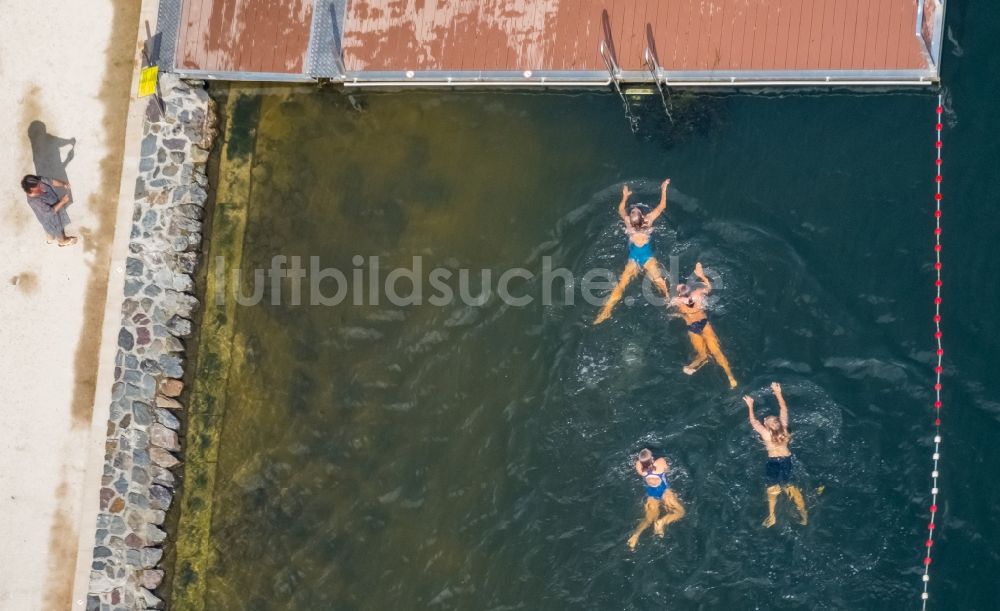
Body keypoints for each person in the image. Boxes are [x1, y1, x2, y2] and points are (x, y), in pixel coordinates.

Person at [593, 180, 672, 325]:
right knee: (659, 280)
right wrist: (664, 189)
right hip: (647, 258)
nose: (634, 209)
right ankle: (668, 300)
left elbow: (621, 210)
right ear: (642, 217)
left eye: (633, 211)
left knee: (620, 286)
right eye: (636, 211)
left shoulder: (629, 223)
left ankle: (605, 312)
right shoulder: (648, 221)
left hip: (633, 258)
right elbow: (662, 206)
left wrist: (624, 197)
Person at [744, 382, 808, 527]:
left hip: (773, 462)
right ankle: (804, 513)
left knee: (772, 489)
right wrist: (778, 392)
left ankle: (772, 515)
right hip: (787, 460)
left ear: (767, 427)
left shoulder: (766, 435)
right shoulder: (785, 430)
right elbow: (783, 408)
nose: (765, 418)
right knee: (791, 487)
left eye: (766, 420)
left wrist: (750, 405)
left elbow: (753, 422)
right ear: (778, 423)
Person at [670, 262, 737, 388]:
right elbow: (709, 287)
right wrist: (702, 276)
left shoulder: (677, 301)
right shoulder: (698, 294)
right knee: (717, 352)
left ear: (679, 294)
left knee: (702, 354)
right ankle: (730, 377)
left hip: (692, 327)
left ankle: (693, 365)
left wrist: (680, 315)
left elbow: (672, 305)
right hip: (704, 323)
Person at [627, 448, 685, 550]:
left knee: (648, 519)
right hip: (664, 492)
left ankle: (635, 535)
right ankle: (662, 522)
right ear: (652, 459)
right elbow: (668, 470)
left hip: (651, 494)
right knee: (680, 512)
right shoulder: (660, 462)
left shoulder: (639, 468)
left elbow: (641, 465)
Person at [21, 174, 77, 246]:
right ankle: (62, 241)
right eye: (38, 187)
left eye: (40, 184)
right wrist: (62, 201)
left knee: (49, 229)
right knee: (57, 228)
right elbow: (49, 213)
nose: (42, 186)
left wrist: (63, 183)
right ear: (32, 190)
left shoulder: (37, 181)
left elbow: (51, 182)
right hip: (50, 217)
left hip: (54, 211)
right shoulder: (34, 201)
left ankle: (50, 238)